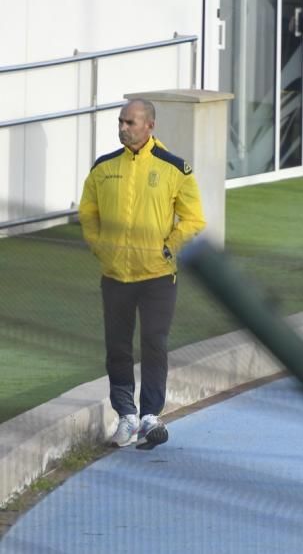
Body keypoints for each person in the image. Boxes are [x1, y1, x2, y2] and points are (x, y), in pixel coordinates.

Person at [79, 99, 206, 448]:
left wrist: (170, 246)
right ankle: (126, 416)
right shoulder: (104, 167)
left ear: (149, 126)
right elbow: (87, 211)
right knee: (118, 347)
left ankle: (151, 416)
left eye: (130, 122)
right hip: (116, 274)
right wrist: (98, 245)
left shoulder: (175, 168)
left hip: (157, 276)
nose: (123, 127)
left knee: (154, 344)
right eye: (120, 121)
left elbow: (194, 219)